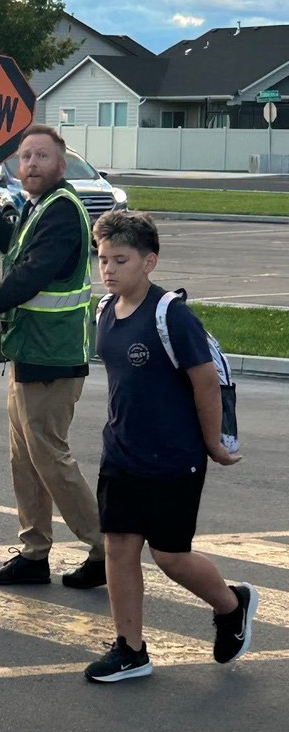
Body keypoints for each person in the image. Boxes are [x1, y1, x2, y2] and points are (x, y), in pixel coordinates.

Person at [85, 209, 258, 683]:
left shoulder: (170, 315)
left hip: (174, 458)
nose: (108, 269)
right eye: (103, 259)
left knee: (170, 556)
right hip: (121, 452)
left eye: (120, 260)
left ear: (150, 262)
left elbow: (205, 382)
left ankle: (231, 605)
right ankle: (130, 650)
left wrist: (213, 443)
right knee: (118, 547)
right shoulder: (105, 310)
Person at [0, 123, 105, 589]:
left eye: (41, 156)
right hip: (29, 350)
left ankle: (106, 549)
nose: (32, 164)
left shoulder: (63, 210)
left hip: (53, 356)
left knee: (50, 459)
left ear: (61, 163)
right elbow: (16, 249)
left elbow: (31, 274)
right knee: (27, 459)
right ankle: (35, 554)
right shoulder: (38, 206)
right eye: (25, 157)